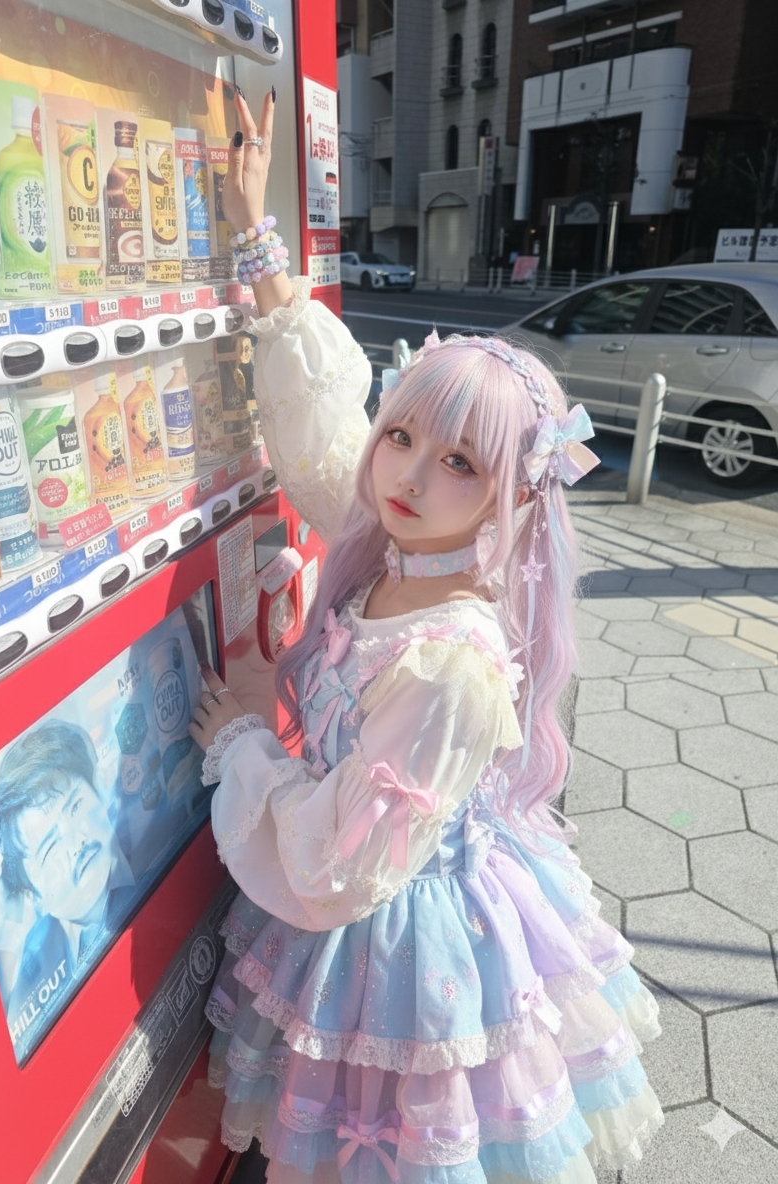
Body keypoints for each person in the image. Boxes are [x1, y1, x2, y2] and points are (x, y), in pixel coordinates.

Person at [188, 90, 663, 1184]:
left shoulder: (453, 661)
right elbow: (324, 439)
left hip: (402, 933)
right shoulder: (395, 547)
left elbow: (338, 865)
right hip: (367, 898)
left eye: (460, 462)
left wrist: (242, 743)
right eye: (402, 434)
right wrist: (256, 237)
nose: (407, 473)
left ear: (513, 495)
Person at [0, 720, 136, 1031]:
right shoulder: (35, 964)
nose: (77, 842)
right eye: (50, 847)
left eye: (75, 807)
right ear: (31, 894)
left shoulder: (153, 856)